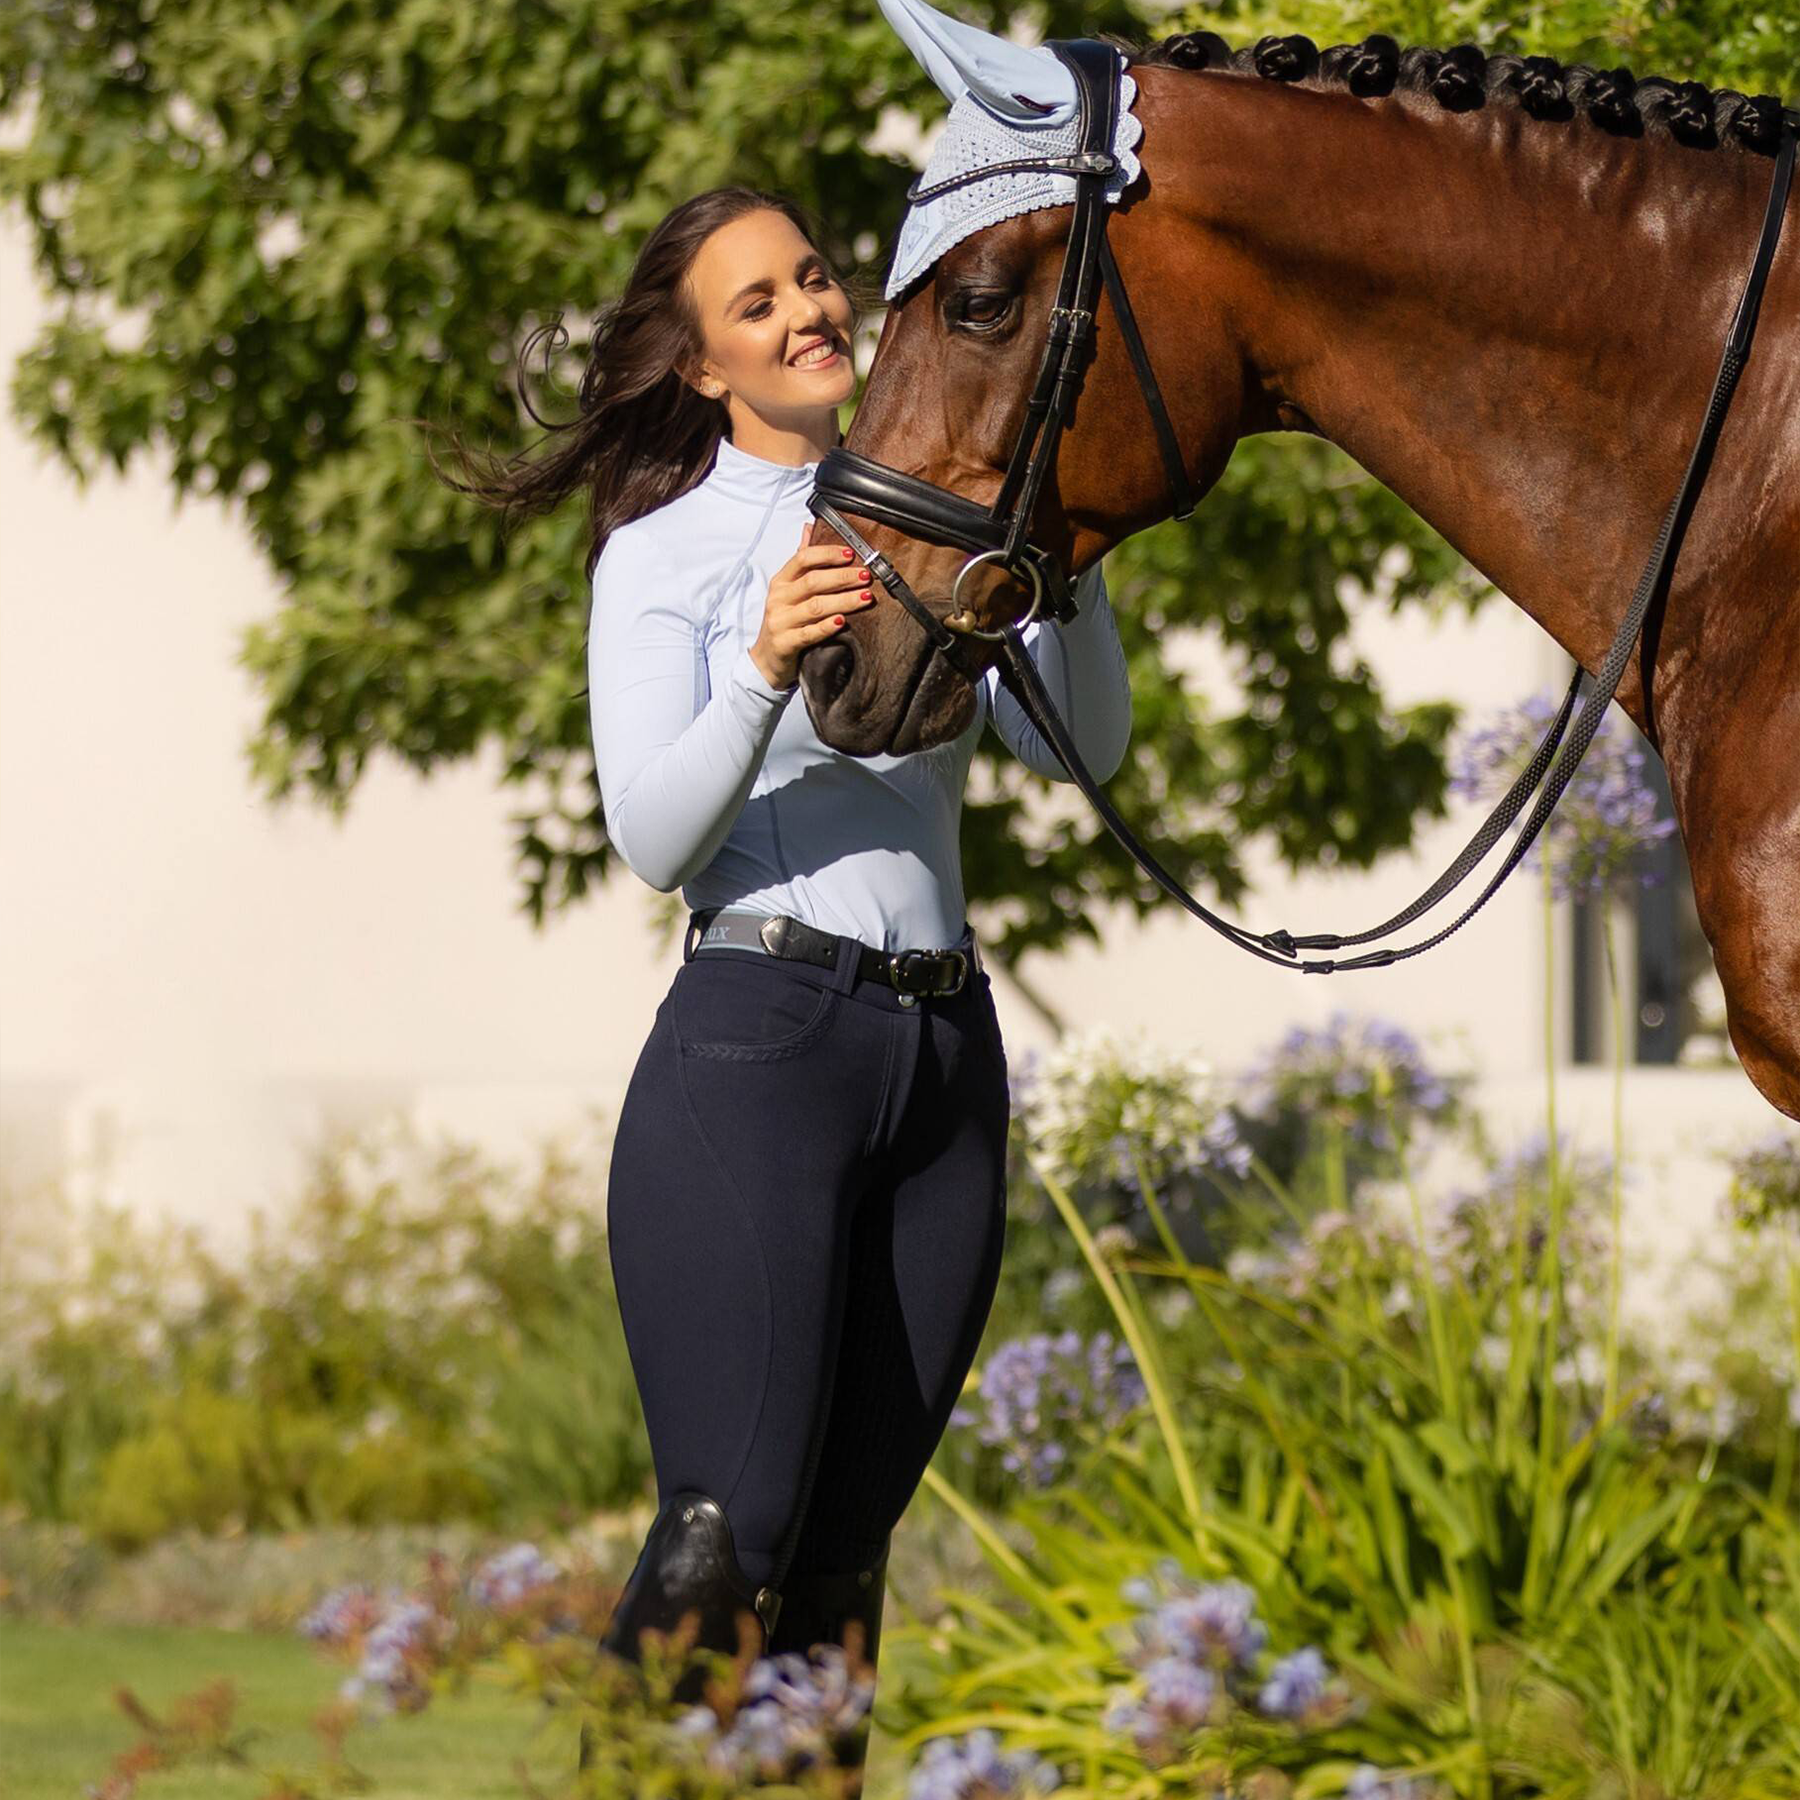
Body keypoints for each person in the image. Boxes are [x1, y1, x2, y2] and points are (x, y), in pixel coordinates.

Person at [437, 183, 1132, 1762]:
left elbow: (1080, 745)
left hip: (943, 1061)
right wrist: (759, 670)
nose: (808, 312)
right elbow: (656, 837)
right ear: (700, 369)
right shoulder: (663, 558)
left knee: (839, 1574)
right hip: (761, 1049)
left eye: (812, 278)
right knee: (724, 1535)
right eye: (757, 305)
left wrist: (1068, 560)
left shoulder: (943, 502)